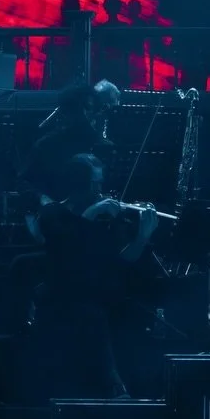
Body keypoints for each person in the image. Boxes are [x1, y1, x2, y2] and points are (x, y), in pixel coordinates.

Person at [33, 153, 158, 399]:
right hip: (63, 296)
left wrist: (142, 236)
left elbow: (123, 260)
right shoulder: (52, 214)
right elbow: (64, 252)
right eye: (95, 183)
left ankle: (133, 385)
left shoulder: (104, 218)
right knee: (88, 312)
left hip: (99, 296)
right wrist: (90, 214)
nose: (100, 190)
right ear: (78, 184)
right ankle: (112, 384)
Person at [24, 81, 118, 200]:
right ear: (67, 113)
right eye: (82, 109)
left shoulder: (103, 146)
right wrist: (45, 200)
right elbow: (27, 183)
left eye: (91, 109)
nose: (88, 115)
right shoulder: (47, 145)